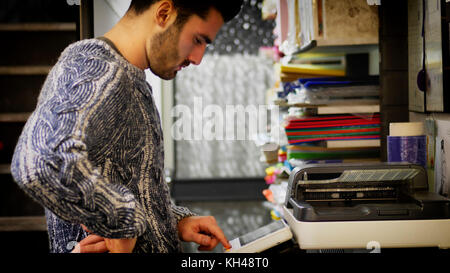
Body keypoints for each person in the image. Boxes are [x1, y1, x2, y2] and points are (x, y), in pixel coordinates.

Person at [11, 0, 243, 253]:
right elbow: (44, 160)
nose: (198, 58)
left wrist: (170, 219)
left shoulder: (124, 75)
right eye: (198, 40)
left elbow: (124, 181)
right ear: (164, 13)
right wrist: (124, 221)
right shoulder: (99, 70)